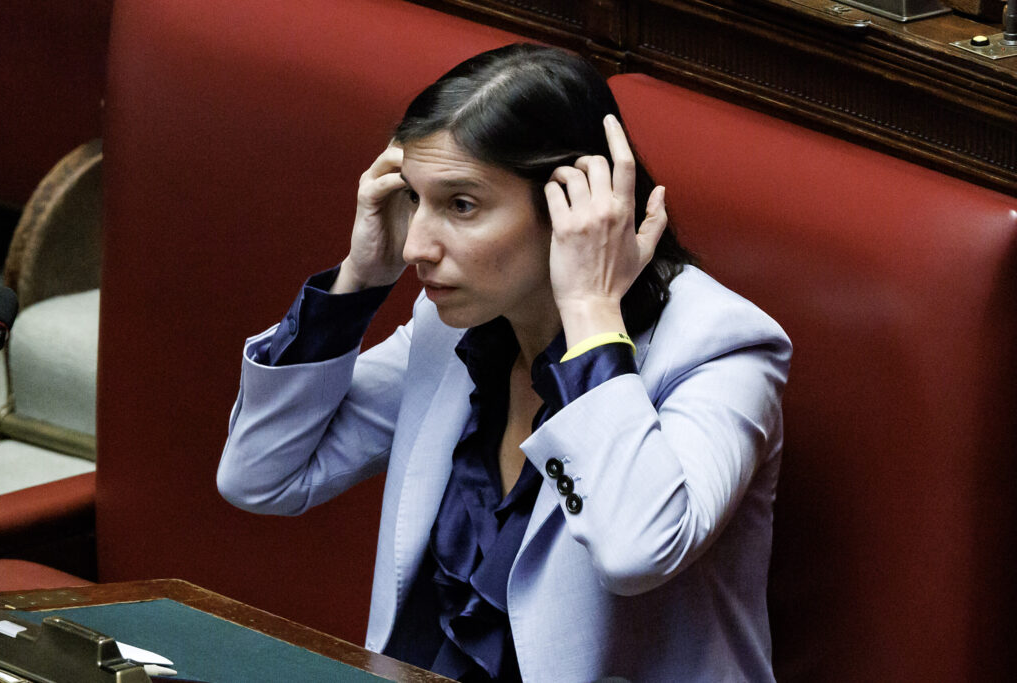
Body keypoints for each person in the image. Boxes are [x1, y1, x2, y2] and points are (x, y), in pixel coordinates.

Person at [217, 43, 791, 682]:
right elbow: (262, 476)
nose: (415, 247)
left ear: (575, 206)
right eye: (414, 199)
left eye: (461, 205)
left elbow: (637, 552)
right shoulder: (460, 326)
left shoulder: (722, 346)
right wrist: (360, 277)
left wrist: (591, 312)